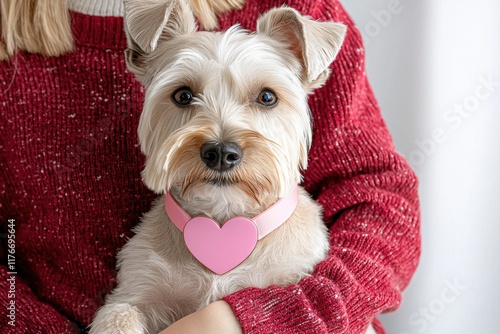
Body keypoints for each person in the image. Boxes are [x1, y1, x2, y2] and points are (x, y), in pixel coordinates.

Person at [0, 0, 420, 333]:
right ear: (140, 57)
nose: (221, 146)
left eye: (266, 99)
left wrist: (250, 322)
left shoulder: (299, 8)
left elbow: (382, 198)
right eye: (185, 97)